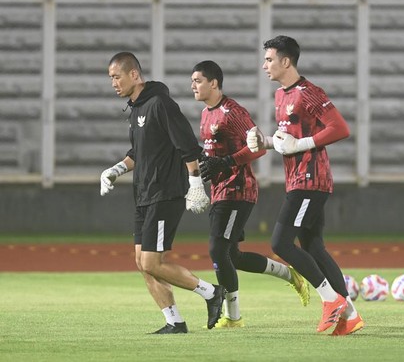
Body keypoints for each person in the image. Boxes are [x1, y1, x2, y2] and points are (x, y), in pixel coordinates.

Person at [101, 52, 226, 334]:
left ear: (134, 75)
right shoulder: (135, 109)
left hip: (165, 194)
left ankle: (211, 292)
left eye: (116, 76)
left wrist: (195, 182)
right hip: (144, 195)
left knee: (151, 261)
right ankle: (174, 321)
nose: (113, 83)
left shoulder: (160, 103)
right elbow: (138, 153)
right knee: (142, 263)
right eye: (110, 78)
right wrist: (115, 170)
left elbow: (186, 144)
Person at [246, 35, 363, 336]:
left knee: (280, 243)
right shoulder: (280, 96)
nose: (264, 65)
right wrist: (267, 142)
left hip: (310, 180)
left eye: (269, 59)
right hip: (298, 178)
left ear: (286, 61)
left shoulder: (308, 92)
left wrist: (303, 143)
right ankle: (350, 315)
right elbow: (290, 142)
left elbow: (340, 128)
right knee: (313, 247)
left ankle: (330, 300)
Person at [190, 60, 311, 328]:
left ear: (214, 83)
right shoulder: (205, 114)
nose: (193, 86)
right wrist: (207, 161)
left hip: (238, 189)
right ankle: (289, 275)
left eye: (198, 80)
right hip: (221, 190)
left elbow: (257, 148)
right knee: (233, 256)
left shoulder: (232, 112)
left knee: (216, 248)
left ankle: (233, 317)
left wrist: (227, 162)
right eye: (192, 81)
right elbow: (216, 150)